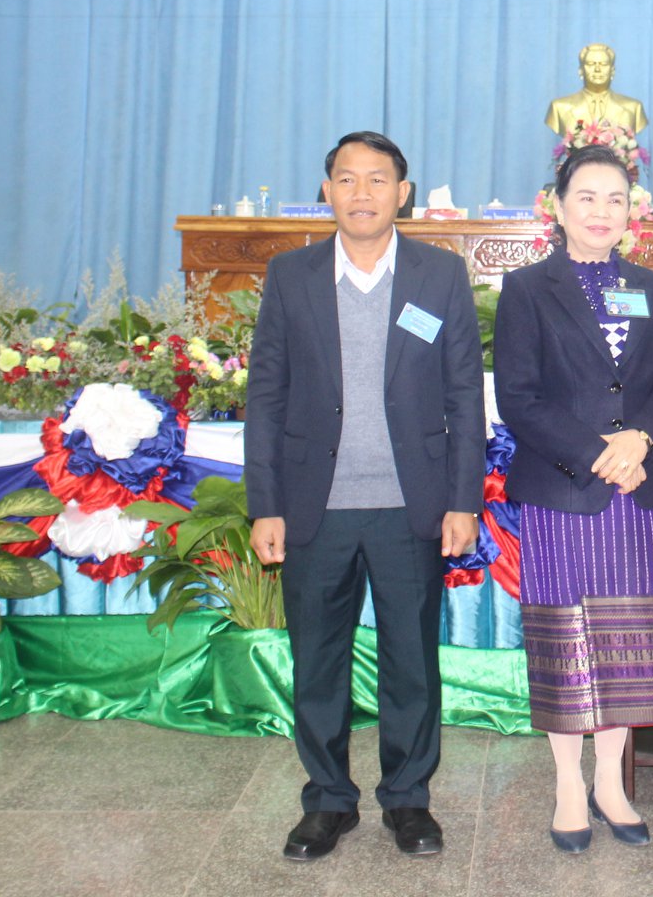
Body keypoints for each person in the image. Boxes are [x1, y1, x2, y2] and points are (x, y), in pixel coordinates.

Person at [245, 131, 485, 861]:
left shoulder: (439, 275)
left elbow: (464, 395)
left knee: (411, 661)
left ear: (402, 194)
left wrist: (463, 501)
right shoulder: (291, 276)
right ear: (327, 192)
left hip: (410, 503)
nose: (361, 193)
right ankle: (327, 800)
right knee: (318, 662)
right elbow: (266, 395)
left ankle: (408, 799)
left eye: (377, 180)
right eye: (346, 179)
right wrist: (265, 504)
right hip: (313, 505)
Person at [492, 145, 653, 853]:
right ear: (559, 205)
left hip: (635, 492)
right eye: (587, 197)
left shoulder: (650, 286)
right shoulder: (527, 289)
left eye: (616, 198)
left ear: (632, 209)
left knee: (626, 641)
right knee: (567, 640)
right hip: (564, 488)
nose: (602, 211)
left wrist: (640, 439)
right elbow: (518, 396)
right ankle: (568, 786)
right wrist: (597, 454)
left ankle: (610, 782)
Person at [544, 43, 651, 137]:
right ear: (581, 70)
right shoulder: (559, 107)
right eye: (591, 64)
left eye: (604, 64)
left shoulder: (633, 108)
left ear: (612, 71)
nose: (597, 69)